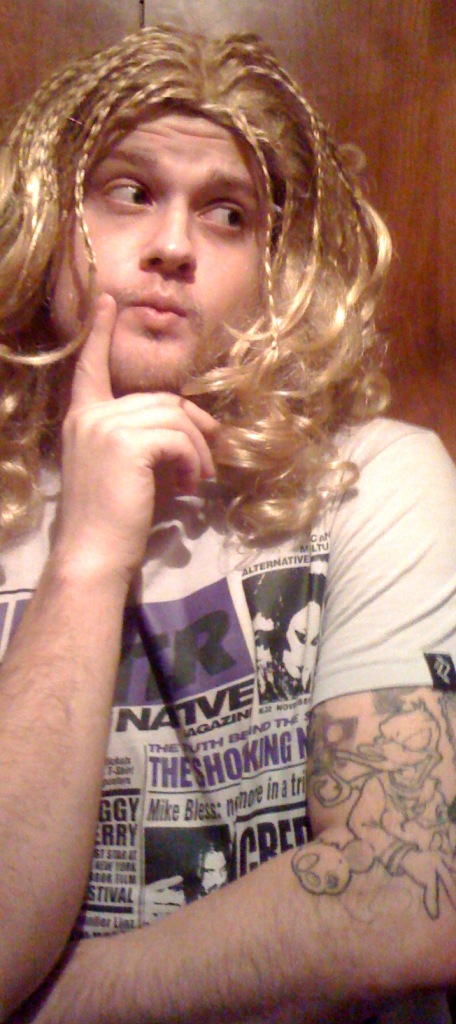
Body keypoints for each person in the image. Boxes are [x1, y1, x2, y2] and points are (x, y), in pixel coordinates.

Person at [0, 23, 455, 1024]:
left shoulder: (377, 482)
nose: (173, 246)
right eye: (129, 192)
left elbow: (406, 898)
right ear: (46, 218)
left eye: (227, 214)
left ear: (272, 272)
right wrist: (85, 557)